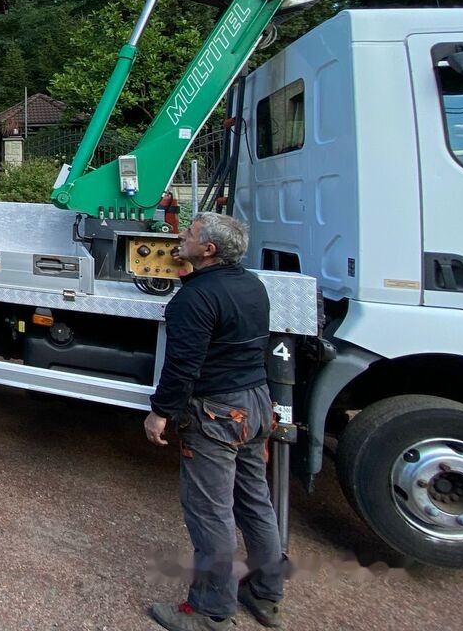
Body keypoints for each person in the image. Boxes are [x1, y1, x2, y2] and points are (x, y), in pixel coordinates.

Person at [144, 212, 285, 631]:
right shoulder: (252, 285)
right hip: (257, 403)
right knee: (255, 504)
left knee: (210, 513)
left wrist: (160, 412)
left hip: (217, 413)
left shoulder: (195, 299)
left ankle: (210, 612)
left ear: (208, 250)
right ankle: (266, 594)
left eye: (188, 233)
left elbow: (183, 365)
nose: (180, 236)